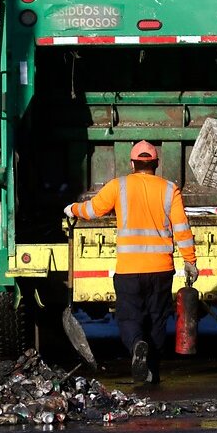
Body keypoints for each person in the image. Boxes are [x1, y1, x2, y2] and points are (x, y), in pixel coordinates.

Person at [63, 140, 198, 383]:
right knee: (157, 319)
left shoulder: (119, 186)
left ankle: (137, 345)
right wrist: (190, 261)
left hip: (128, 271)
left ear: (132, 163)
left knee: (129, 318)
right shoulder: (169, 189)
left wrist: (72, 209)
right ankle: (152, 373)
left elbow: (93, 210)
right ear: (156, 163)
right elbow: (182, 228)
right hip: (161, 270)